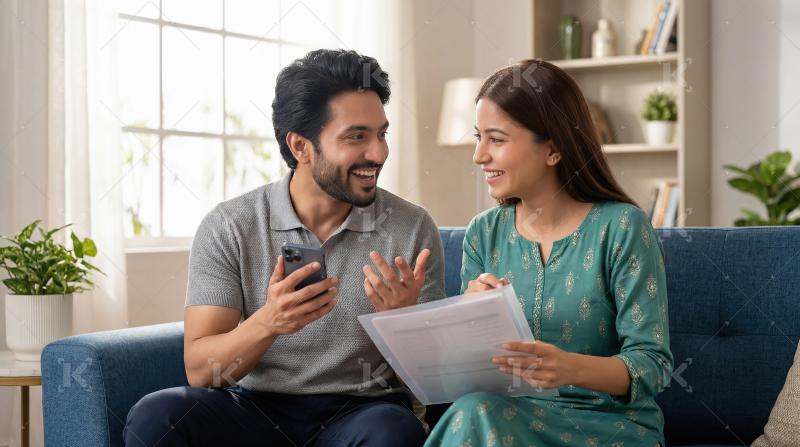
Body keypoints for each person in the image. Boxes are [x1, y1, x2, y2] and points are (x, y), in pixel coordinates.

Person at [123, 49, 445, 447]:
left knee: (391, 431)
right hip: (255, 409)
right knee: (158, 415)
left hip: (362, 411)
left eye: (381, 134)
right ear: (300, 146)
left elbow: (435, 385)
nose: (378, 153)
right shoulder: (231, 225)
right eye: (356, 136)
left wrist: (401, 324)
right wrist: (270, 321)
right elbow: (202, 372)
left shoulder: (411, 228)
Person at [425, 59, 673, 446]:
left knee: (478, 414)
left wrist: (570, 368)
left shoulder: (623, 227)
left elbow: (653, 365)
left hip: (609, 425)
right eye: (478, 137)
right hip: (508, 420)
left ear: (553, 149)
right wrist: (467, 320)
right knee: (476, 409)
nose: (479, 155)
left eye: (496, 139)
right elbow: (468, 376)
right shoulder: (483, 233)